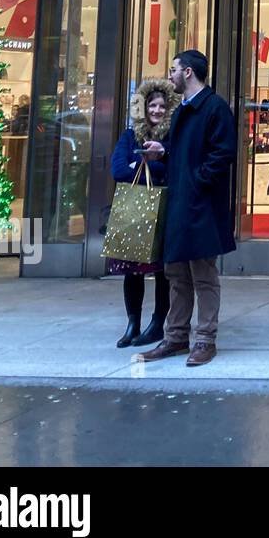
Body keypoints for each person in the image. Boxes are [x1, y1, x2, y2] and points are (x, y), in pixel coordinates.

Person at [137, 49, 236, 368]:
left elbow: (223, 155)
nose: (170, 75)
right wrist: (163, 152)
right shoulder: (181, 111)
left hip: (202, 205)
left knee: (203, 273)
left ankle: (205, 339)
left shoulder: (215, 108)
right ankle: (176, 336)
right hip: (181, 203)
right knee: (176, 272)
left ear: (189, 73)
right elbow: (185, 152)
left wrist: (196, 181)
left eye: (174, 69)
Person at [107, 78, 176, 349]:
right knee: (132, 270)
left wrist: (154, 162)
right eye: (152, 106)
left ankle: (158, 322)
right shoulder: (130, 136)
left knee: (162, 272)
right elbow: (118, 170)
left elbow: (171, 169)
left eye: (161, 106)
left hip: (164, 209)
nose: (157, 110)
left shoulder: (172, 139)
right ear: (144, 108)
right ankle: (132, 322)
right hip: (136, 209)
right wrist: (145, 162)